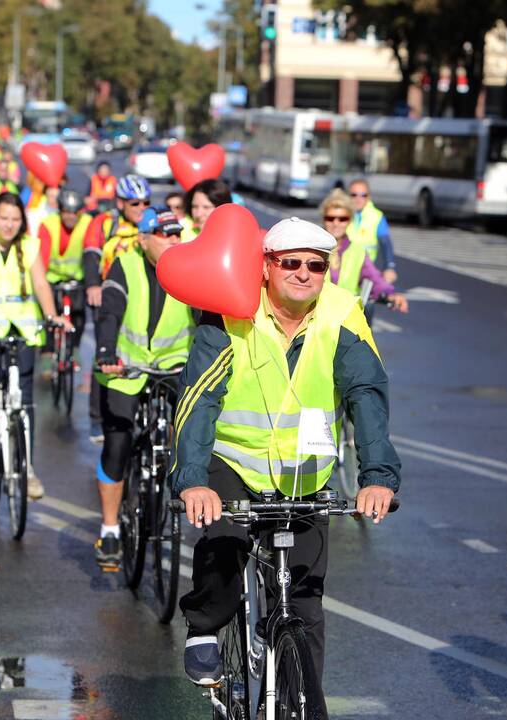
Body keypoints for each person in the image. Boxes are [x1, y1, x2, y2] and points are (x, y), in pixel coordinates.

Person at [171, 217, 401, 697]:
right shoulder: (232, 308)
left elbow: (366, 395)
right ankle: (206, 624)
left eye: (315, 265)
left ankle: (306, 701)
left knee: (305, 604)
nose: (303, 273)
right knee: (225, 542)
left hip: (305, 473)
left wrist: (377, 476)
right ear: (266, 267)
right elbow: (199, 398)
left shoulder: (342, 313)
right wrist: (193, 480)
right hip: (233, 462)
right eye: (289, 263)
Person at [92, 207, 194, 569]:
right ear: (144, 238)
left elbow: (204, 315)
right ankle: (110, 530)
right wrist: (105, 351)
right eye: (166, 235)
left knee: (192, 430)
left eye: (178, 233)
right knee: (118, 444)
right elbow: (110, 311)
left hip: (173, 366)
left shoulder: (189, 266)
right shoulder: (126, 264)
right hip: (125, 367)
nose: (175, 240)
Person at [0, 192, 71, 500]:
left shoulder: (29, 246)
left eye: (15, 219)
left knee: (26, 405)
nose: (9, 225)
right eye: (4, 218)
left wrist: (52, 316)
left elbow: (42, 284)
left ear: (22, 221)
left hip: (24, 330)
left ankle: (27, 470)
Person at [83, 174, 152, 443]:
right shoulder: (104, 223)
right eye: (135, 203)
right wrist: (92, 286)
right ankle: (97, 420)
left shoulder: (151, 222)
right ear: (120, 202)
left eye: (146, 202)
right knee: (105, 355)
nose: (142, 209)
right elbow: (91, 255)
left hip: (140, 298)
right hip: (108, 295)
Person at [319, 189, 408, 313]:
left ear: (349, 220)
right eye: (330, 218)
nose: (336, 223)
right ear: (323, 219)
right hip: (315, 319)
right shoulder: (312, 248)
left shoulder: (357, 251)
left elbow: (374, 277)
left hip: (345, 319)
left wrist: (389, 294)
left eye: (342, 219)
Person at [38, 188, 90, 355]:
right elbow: (42, 257)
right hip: (52, 279)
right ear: (60, 210)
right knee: (48, 316)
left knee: (79, 317)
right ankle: (47, 353)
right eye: (66, 212)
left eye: (75, 213)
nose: (71, 217)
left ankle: (74, 350)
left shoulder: (88, 223)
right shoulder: (48, 225)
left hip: (77, 280)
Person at [347, 179, 398, 285]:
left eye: (363, 195)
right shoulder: (340, 214)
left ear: (369, 197)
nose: (358, 199)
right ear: (348, 196)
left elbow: (386, 243)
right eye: (354, 195)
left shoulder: (377, 216)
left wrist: (389, 267)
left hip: (366, 271)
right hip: (343, 269)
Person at [182, 178, 232, 242]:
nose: (198, 214)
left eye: (206, 207)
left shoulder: (234, 238)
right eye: (194, 207)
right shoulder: (181, 231)